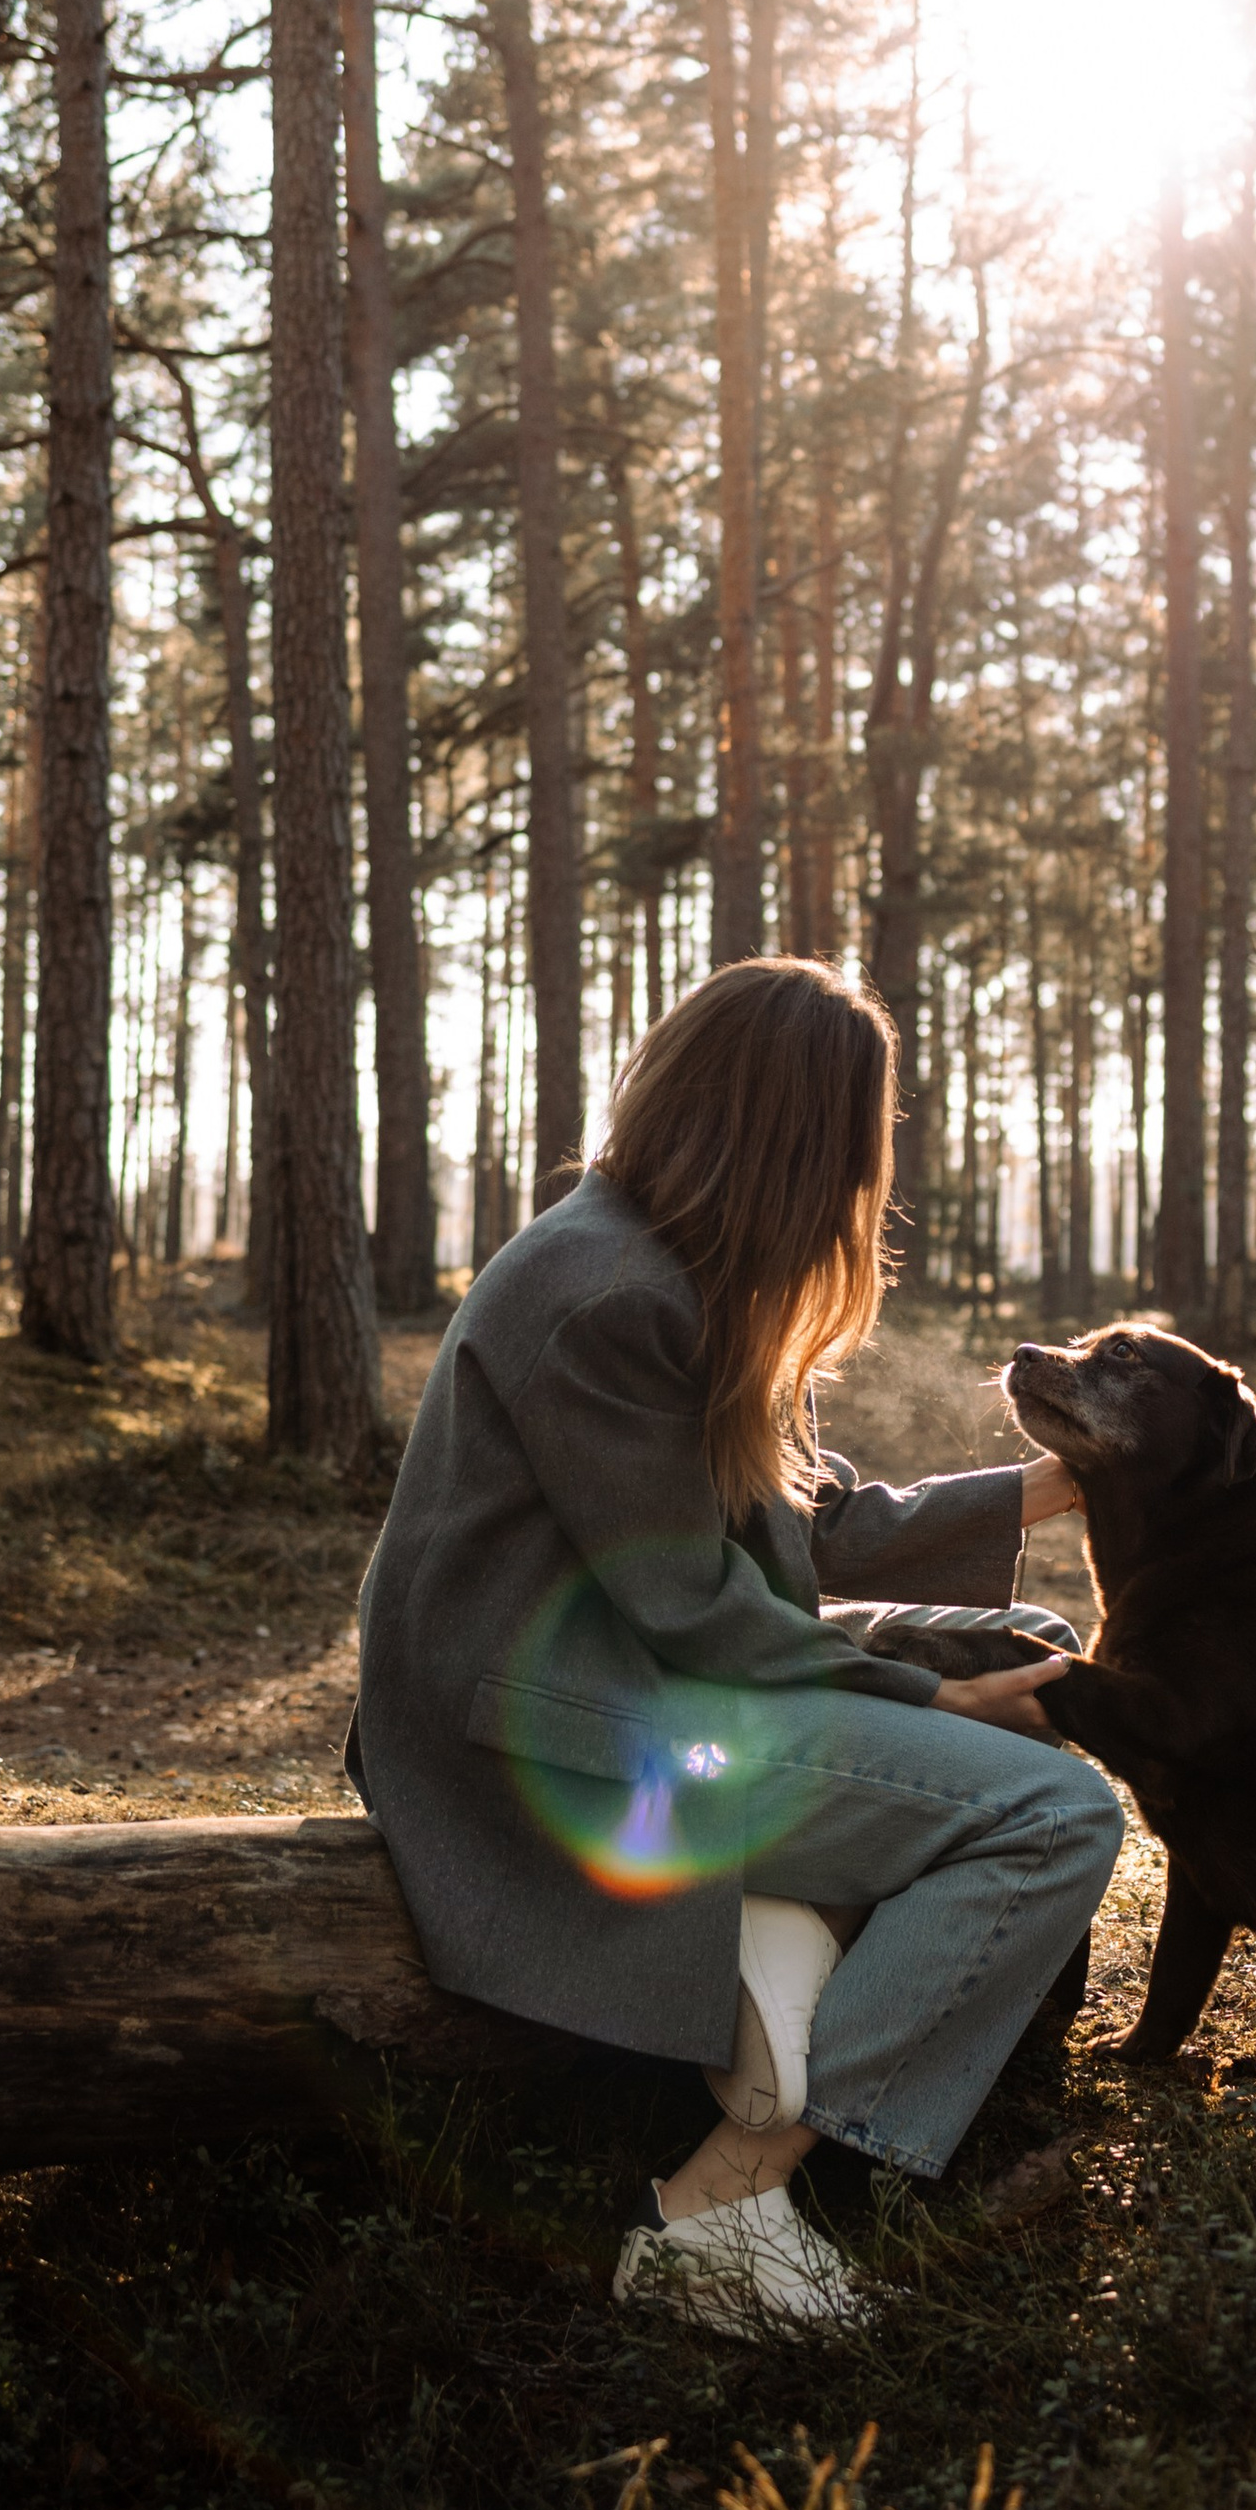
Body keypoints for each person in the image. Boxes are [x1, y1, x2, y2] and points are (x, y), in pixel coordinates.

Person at [347, 956, 1124, 2334]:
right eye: (858, 1144)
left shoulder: (655, 1263)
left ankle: (812, 1950)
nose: (862, 1184)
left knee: (1034, 1638)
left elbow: (790, 1530)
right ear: (793, 1138)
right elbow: (702, 1610)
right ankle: (727, 2203)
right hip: (563, 1738)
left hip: (643, 1676)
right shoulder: (606, 1298)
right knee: (1056, 1810)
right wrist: (944, 1707)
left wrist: (1036, 1490)